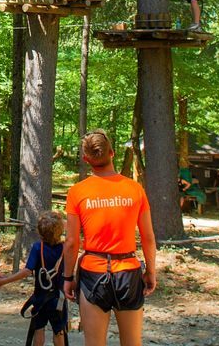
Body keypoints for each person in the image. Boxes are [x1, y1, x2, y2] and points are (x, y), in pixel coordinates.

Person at [64, 130, 157, 346]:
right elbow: (148, 237)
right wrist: (150, 271)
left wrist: (68, 278)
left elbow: (71, 242)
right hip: (128, 271)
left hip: (93, 274)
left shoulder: (77, 192)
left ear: (86, 159)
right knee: (132, 342)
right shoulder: (135, 189)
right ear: (112, 153)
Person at [0, 210, 68, 346]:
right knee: (59, 331)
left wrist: (5, 280)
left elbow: (27, 271)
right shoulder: (65, 248)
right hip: (59, 298)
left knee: (38, 329)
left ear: (39, 231)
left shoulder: (37, 247)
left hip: (41, 297)